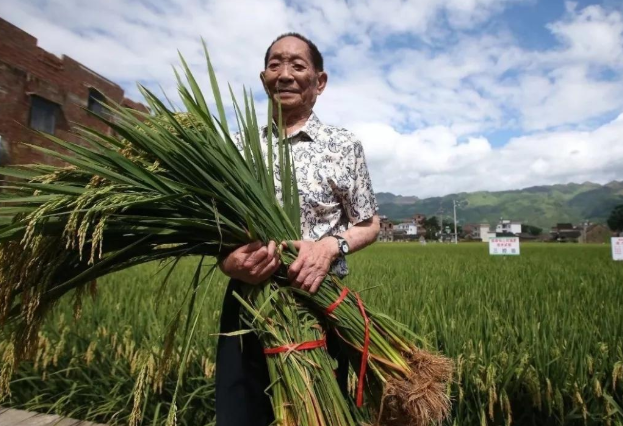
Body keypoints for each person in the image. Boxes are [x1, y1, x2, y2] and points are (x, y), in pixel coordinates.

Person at [216, 32, 380, 426]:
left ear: (319, 82)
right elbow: (217, 228)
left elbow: (369, 223)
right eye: (275, 64)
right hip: (248, 305)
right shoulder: (239, 148)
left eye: (297, 65)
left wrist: (329, 247)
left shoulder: (343, 145)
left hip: (318, 303)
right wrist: (228, 261)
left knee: (319, 414)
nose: (284, 74)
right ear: (263, 78)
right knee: (242, 415)